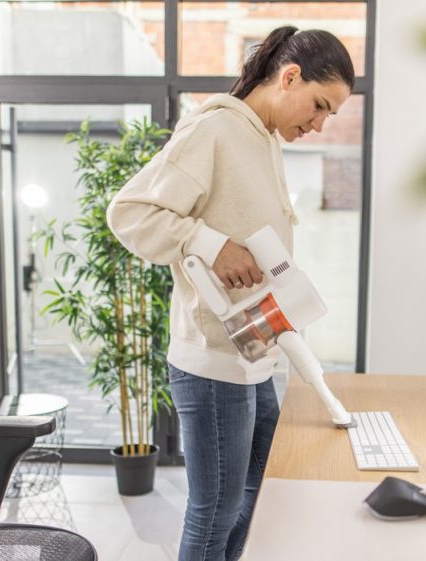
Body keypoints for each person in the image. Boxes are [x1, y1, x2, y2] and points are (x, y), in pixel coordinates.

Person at [106, 25, 354, 561]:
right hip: (213, 361)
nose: (318, 124)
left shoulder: (264, 138)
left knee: (253, 493)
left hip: (253, 352)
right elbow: (129, 213)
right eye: (319, 105)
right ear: (289, 77)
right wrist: (208, 243)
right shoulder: (215, 129)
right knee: (214, 510)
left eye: (329, 115)